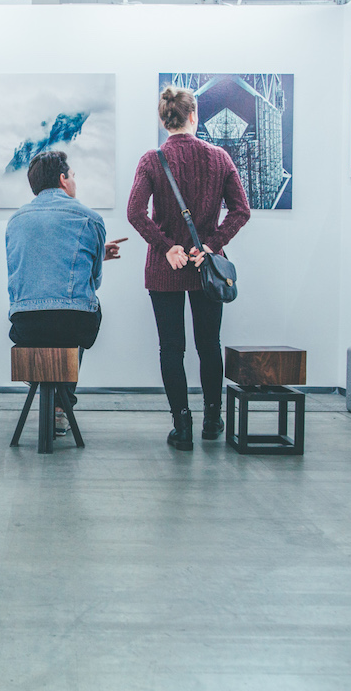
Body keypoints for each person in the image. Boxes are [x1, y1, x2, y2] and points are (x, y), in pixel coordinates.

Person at [127, 87, 251, 451]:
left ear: (164, 119)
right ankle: (212, 419)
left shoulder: (152, 160)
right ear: (194, 116)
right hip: (205, 266)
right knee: (208, 345)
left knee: (171, 348)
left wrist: (167, 248)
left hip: (166, 267)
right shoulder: (219, 157)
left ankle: (181, 426)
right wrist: (210, 246)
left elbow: (136, 213)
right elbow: (240, 210)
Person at [6, 151, 124, 430]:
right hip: (73, 324)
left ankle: (51, 393)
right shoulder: (90, 219)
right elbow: (93, 281)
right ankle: (62, 404)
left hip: (26, 325)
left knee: (53, 316)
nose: (74, 181)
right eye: (73, 176)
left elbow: (21, 271)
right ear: (62, 179)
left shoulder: (16, 221)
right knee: (79, 308)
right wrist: (96, 255)